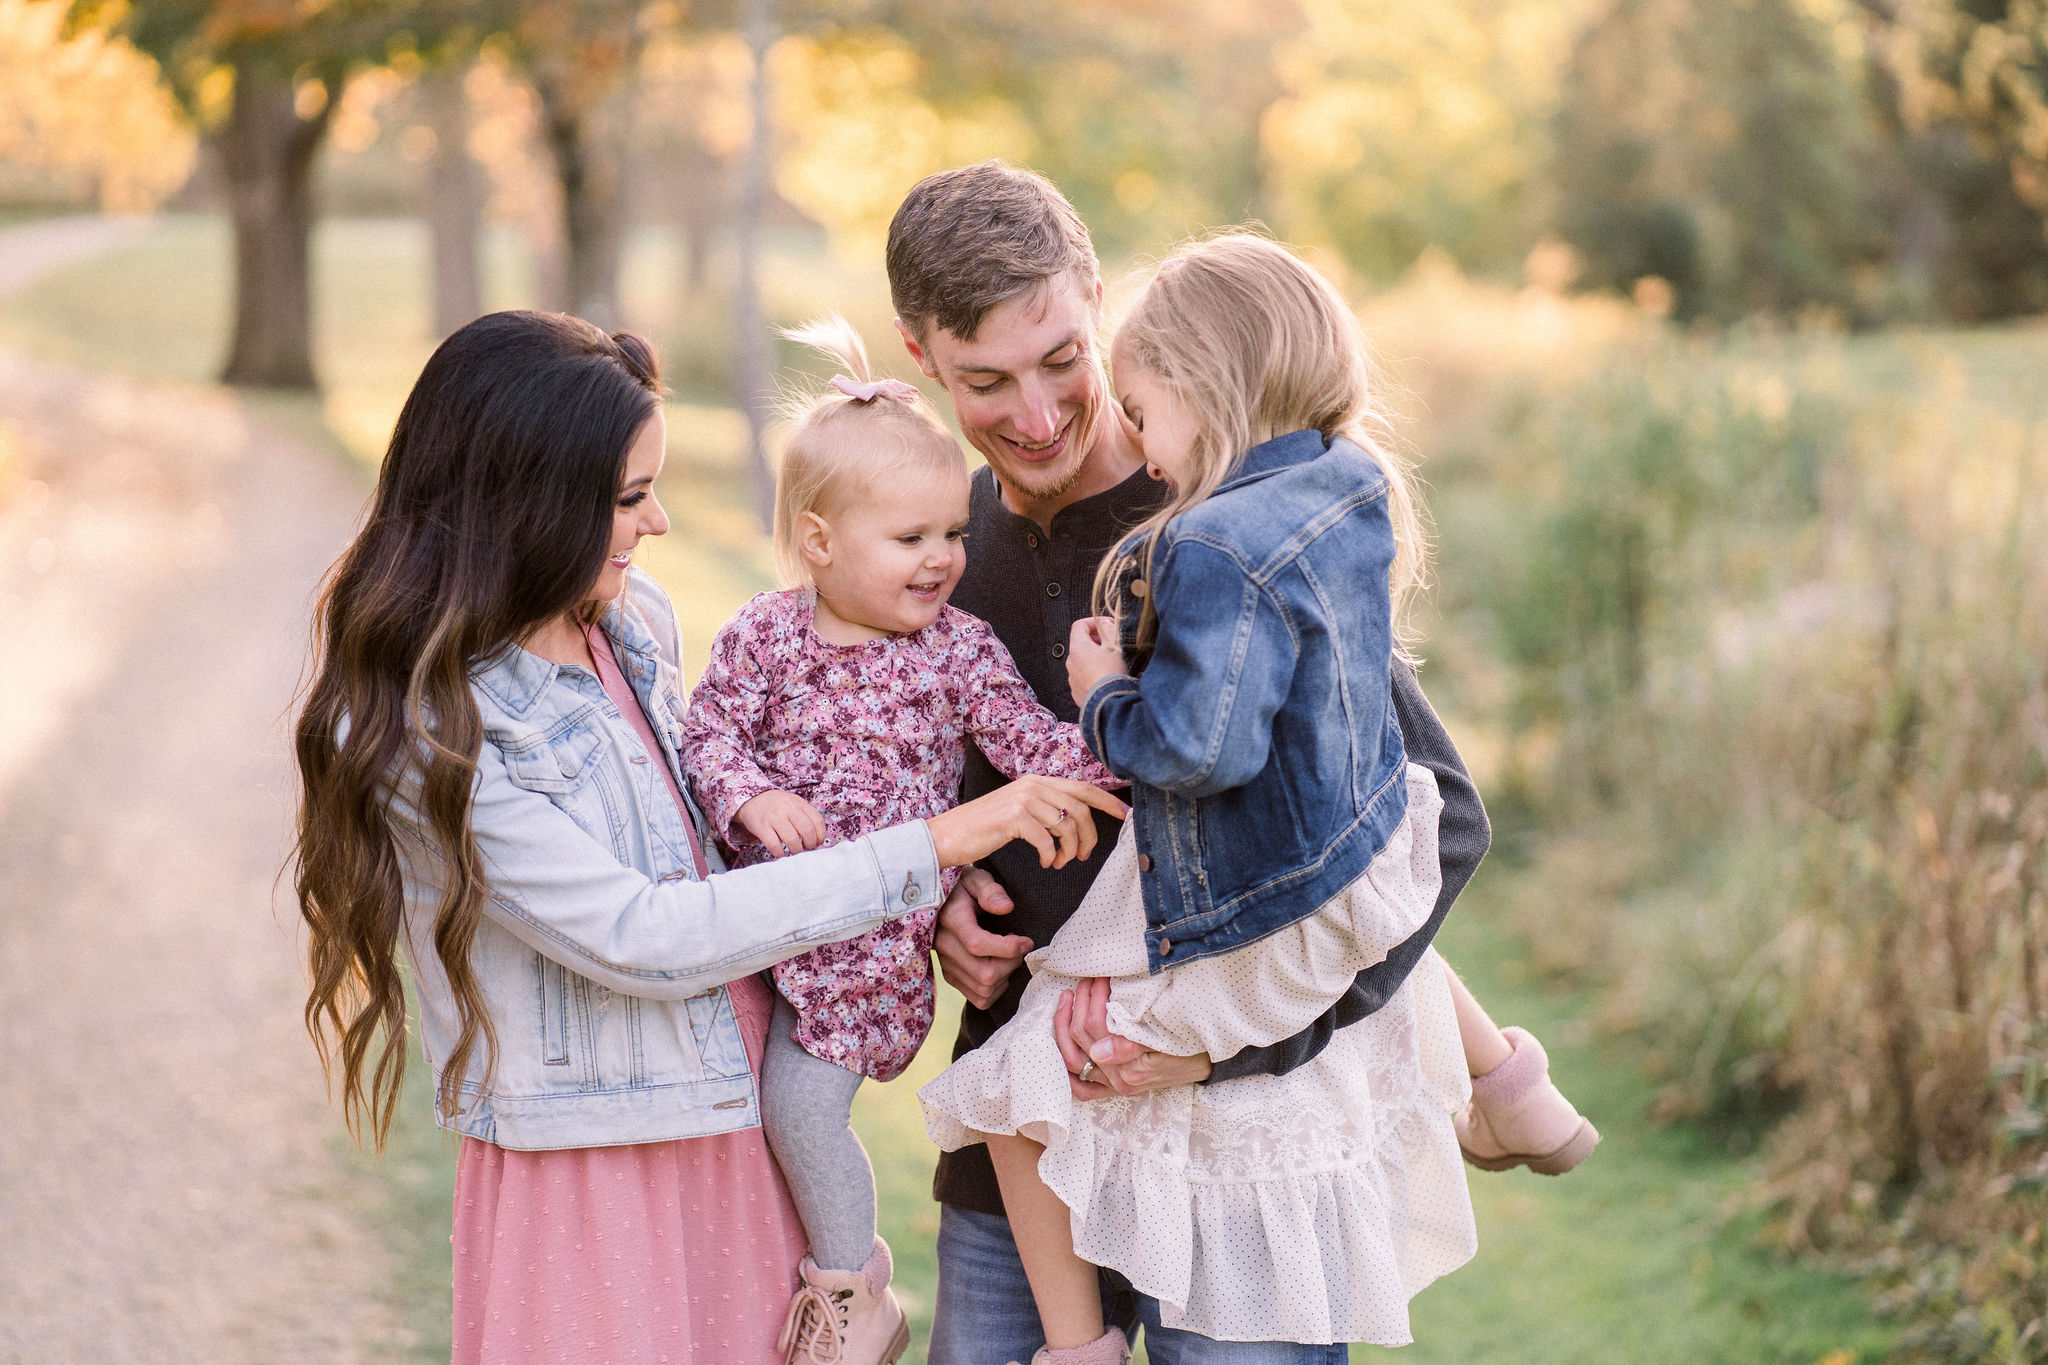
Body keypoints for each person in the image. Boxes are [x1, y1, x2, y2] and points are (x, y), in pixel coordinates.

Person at [291, 310, 1123, 1365]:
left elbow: (715, 846)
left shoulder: (630, 628)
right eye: (631, 498)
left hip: (740, 1121)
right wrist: (931, 847)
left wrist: (927, 901)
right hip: (596, 1169)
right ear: (526, 504)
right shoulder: (429, 729)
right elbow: (642, 932)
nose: (661, 523)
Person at [887, 162, 1595, 1365]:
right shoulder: (926, 551)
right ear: (919, 355)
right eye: (985, 382)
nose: (1040, 413)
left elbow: (1427, 829)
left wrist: (1230, 1043)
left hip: (1244, 1153)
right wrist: (935, 909)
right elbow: (895, 795)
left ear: (1097, 298)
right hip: (1021, 1154)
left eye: (1063, 357)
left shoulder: (1225, 518)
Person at [679, 317, 1123, 1365]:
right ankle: (780, 1279)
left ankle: (849, 1288)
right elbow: (707, 734)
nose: (942, 560)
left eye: (950, 535)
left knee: (800, 1104)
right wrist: (745, 797)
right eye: (911, 539)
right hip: (759, 936)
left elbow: (1032, 753)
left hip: (864, 964)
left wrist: (1112, 716)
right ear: (821, 544)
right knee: (744, 1120)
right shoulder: (764, 634)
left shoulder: (959, 652)